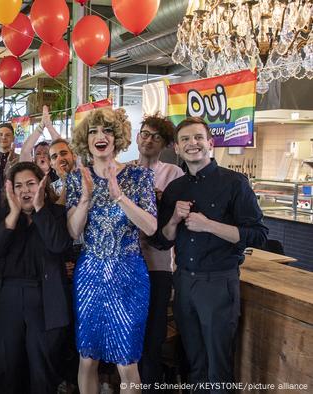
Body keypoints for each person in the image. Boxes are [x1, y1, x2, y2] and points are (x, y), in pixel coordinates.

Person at [153, 117, 267, 393]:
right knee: (193, 360)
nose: (193, 144)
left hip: (218, 282)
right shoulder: (175, 189)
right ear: (177, 149)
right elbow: (162, 242)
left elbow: (258, 235)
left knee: (218, 366)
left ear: (210, 143)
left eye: (198, 138)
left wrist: (209, 226)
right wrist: (173, 222)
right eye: (185, 140)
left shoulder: (234, 183)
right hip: (183, 283)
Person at [65, 108, 157, 394]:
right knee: (87, 357)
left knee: (127, 361)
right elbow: (73, 231)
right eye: (93, 131)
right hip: (90, 274)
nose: (99, 136)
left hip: (128, 274)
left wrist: (119, 197)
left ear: (116, 138)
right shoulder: (76, 178)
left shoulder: (139, 176)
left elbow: (151, 227)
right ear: (86, 139)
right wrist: (85, 200)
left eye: (106, 130)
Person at [0, 162, 72, 393]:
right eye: (18, 185)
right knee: (8, 367)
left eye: (31, 184)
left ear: (42, 185)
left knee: (42, 368)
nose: (25, 190)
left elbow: (59, 245)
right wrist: (13, 215)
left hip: (45, 298)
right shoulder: (3, 214)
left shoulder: (57, 213)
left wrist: (40, 209)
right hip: (6, 297)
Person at [131, 115, 184, 391]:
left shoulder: (173, 175)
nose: (148, 139)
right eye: (145, 133)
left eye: (155, 137)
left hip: (158, 266)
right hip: (126, 264)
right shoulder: (125, 171)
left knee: (153, 336)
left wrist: (161, 201)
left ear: (164, 144)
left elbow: (180, 218)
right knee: (130, 336)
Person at [20, 106, 62, 182]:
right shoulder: (30, 173)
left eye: (46, 153)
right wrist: (41, 125)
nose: (42, 156)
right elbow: (25, 152)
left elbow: (61, 146)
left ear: (51, 159)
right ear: (34, 159)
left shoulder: (58, 173)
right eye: (38, 154)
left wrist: (49, 125)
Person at [48, 138, 77, 203]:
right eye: (54, 157)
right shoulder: (51, 189)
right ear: (51, 164)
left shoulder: (88, 179)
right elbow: (58, 212)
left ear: (74, 156)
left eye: (63, 153)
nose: (60, 159)